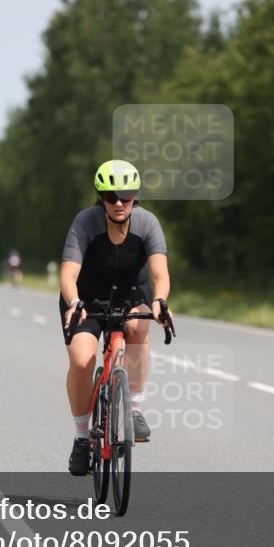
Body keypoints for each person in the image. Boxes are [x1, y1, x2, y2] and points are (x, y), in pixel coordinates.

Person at [60, 159, 172, 476]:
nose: (119, 203)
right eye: (112, 197)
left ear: (135, 196)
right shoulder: (85, 222)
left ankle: (134, 409)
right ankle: (83, 438)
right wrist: (74, 302)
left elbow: (160, 274)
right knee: (82, 359)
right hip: (86, 297)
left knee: (138, 327)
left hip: (132, 293)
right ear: (102, 197)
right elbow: (68, 275)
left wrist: (160, 300)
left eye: (126, 196)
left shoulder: (147, 223)